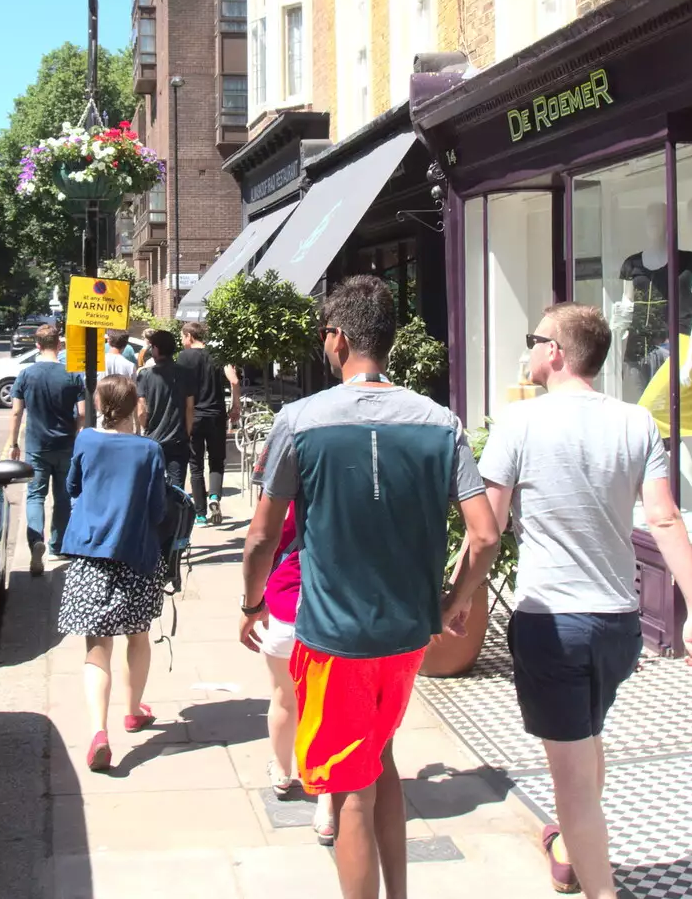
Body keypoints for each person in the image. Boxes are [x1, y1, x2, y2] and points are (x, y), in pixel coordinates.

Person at [240, 276, 499, 899]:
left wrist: (251, 604)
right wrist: (453, 601)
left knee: (348, 790)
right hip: (408, 634)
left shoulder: (299, 421)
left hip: (336, 638)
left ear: (338, 339)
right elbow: (484, 536)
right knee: (378, 762)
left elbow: (261, 535)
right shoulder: (441, 423)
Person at [464, 302, 692, 899]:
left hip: (552, 624)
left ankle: (594, 880)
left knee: (573, 782)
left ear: (556, 352)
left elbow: (487, 530)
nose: (527, 350)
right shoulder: (635, 422)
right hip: (617, 625)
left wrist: (457, 597)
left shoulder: (517, 424)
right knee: (586, 739)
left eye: (534, 340)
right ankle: (575, 844)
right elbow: (664, 517)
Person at [59, 375, 169, 772]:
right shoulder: (149, 450)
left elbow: (73, 486)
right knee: (138, 636)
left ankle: (98, 732)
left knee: (96, 647)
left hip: (91, 555)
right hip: (137, 556)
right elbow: (158, 511)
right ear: (135, 404)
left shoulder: (86, 440)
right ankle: (134, 710)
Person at [248, 445, 336, 845]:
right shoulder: (344, 500)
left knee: (284, 697)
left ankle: (283, 772)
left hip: (284, 607)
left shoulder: (283, 501)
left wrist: (250, 605)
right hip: (332, 612)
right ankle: (326, 805)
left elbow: (261, 544)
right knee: (326, 707)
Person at [7, 324, 84, 576]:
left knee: (35, 496)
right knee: (62, 497)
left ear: (37, 346)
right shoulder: (72, 375)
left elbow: (17, 411)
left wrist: (13, 442)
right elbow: (82, 413)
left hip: (37, 446)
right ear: (59, 345)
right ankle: (57, 545)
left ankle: (34, 542)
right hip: (65, 445)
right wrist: (77, 434)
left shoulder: (26, 375)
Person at [178, 321, 240, 525]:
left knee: (195, 465)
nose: (181, 340)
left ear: (189, 336)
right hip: (216, 414)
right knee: (216, 460)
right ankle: (215, 496)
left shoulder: (183, 357)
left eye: (182, 336)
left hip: (193, 415)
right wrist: (235, 406)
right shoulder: (217, 355)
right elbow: (235, 381)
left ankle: (201, 514)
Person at [135, 330, 193, 492]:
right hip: (178, 440)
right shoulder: (185, 373)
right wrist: (187, 433)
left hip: (153, 440)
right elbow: (190, 407)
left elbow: (141, 409)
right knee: (177, 488)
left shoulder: (145, 375)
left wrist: (144, 427)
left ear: (157, 348)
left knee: (153, 486)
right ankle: (176, 517)